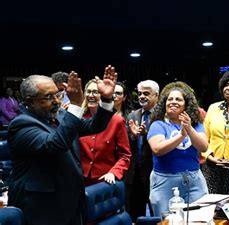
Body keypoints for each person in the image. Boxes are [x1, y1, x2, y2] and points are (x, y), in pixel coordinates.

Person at [7, 66, 117, 225]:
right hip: (41, 207)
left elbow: (93, 127)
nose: (57, 101)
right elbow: (55, 144)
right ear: (30, 101)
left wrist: (106, 100)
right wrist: (76, 105)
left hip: (70, 201)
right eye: (48, 96)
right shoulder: (21, 125)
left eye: (58, 94)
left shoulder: (60, 114)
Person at [147, 81, 209, 216]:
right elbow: (157, 149)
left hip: (194, 180)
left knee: (199, 218)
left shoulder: (196, 124)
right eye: (170, 99)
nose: (173, 102)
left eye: (178, 99)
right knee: (167, 220)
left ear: (186, 105)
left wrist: (189, 129)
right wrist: (181, 136)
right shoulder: (158, 124)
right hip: (165, 181)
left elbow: (203, 147)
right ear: (164, 103)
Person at [79, 79, 132, 186]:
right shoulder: (77, 119)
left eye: (96, 92)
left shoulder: (116, 121)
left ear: (105, 96)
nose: (91, 95)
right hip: (78, 179)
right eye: (88, 92)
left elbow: (125, 155)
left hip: (104, 181)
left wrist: (114, 172)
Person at [125, 80, 160, 221]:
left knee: (156, 215)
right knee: (134, 215)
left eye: (146, 93)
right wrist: (133, 136)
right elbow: (126, 144)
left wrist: (147, 135)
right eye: (139, 93)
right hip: (134, 174)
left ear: (156, 96)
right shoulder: (132, 116)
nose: (142, 96)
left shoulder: (162, 116)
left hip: (154, 173)